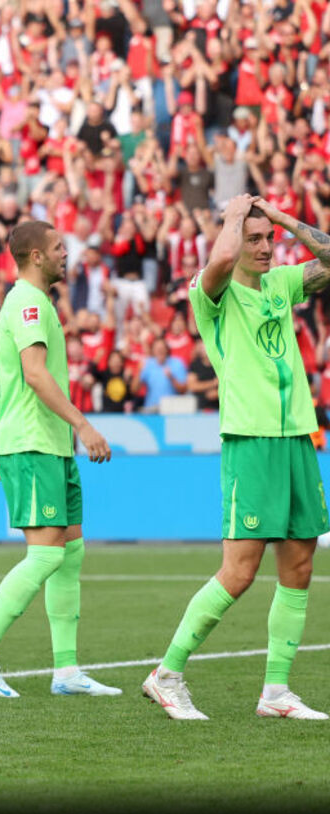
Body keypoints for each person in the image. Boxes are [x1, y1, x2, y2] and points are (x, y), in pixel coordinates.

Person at [143, 196, 330, 720]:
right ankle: (167, 674)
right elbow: (221, 261)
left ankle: (276, 692)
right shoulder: (212, 295)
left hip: (296, 435)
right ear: (233, 242)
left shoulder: (282, 283)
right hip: (250, 440)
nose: (266, 248)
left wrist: (284, 219)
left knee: (299, 564)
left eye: (268, 239)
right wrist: (232, 218)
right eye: (255, 240)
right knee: (240, 571)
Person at [0, 222, 120, 699]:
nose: (66, 253)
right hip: (35, 443)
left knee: (69, 553)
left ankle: (67, 672)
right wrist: (83, 426)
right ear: (34, 256)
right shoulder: (28, 302)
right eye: (58, 248)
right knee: (46, 553)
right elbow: (32, 374)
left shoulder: (38, 301)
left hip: (42, 444)